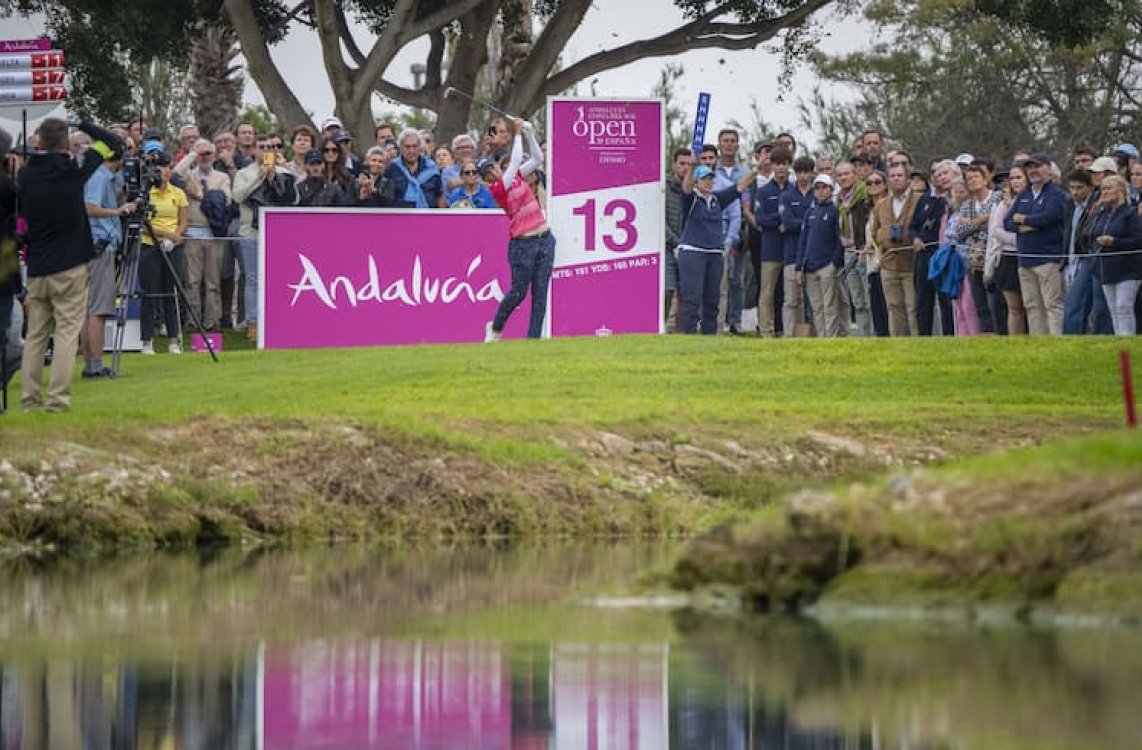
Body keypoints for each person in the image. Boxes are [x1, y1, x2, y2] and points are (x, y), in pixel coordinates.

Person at [19, 118, 121, 411]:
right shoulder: (75, 168)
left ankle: (29, 401)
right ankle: (58, 400)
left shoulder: (26, 174)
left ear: (39, 141)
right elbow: (113, 145)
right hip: (70, 264)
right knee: (66, 333)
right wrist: (84, 124)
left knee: (36, 335)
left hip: (38, 265)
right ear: (66, 143)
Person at [482, 118, 555, 341]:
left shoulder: (517, 178)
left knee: (540, 293)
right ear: (486, 180)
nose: (492, 172)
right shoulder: (498, 188)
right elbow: (514, 162)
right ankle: (495, 328)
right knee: (518, 292)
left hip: (545, 239)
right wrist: (517, 133)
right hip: (522, 244)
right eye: (487, 173)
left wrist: (530, 133)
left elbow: (537, 158)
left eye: (492, 168)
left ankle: (533, 341)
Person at [674, 159, 758, 335]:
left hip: (715, 254)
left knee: (712, 300)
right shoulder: (691, 199)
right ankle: (687, 336)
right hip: (693, 253)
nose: (709, 182)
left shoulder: (717, 199)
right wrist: (691, 168)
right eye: (704, 178)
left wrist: (758, 168)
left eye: (711, 178)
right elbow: (686, 187)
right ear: (697, 181)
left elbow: (740, 186)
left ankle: (709, 337)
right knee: (692, 299)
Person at [232, 133, 299, 342]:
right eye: (262, 147)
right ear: (254, 150)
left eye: (270, 147)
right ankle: (253, 323)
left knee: (278, 278)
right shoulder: (244, 173)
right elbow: (238, 197)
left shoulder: (283, 171)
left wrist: (282, 175)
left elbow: (295, 200)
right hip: (251, 232)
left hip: (277, 233)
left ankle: (279, 320)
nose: (266, 150)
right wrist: (260, 176)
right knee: (252, 278)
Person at [82, 146, 134, 378]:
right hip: (99, 245)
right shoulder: (98, 176)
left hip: (96, 245)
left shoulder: (105, 177)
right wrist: (118, 212)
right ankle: (94, 366)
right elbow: (89, 208)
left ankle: (91, 364)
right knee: (97, 309)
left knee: (91, 308)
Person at [1004, 152, 1068, 334]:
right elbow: (1008, 222)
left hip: (1048, 258)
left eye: (1038, 166)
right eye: (1030, 167)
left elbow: (1050, 217)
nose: (1033, 171)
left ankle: (1056, 344)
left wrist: (1024, 219)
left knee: (1052, 305)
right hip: (1025, 260)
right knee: (1032, 306)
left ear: (1048, 169)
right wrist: (1026, 225)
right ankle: (1038, 344)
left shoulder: (1056, 194)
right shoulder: (1024, 194)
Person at [175, 138, 231, 331]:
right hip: (192, 232)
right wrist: (192, 154)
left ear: (214, 156)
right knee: (192, 281)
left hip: (213, 233)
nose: (204, 157)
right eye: (201, 154)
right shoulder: (189, 175)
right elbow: (176, 173)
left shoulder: (222, 177)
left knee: (213, 281)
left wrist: (199, 195)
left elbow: (225, 201)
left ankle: (212, 320)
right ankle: (192, 320)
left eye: (208, 153)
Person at [137, 150, 188, 356]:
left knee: (171, 292)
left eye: (167, 167)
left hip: (173, 246)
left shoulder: (178, 193)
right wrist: (166, 234)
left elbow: (183, 219)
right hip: (150, 244)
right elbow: (142, 223)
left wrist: (176, 235)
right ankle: (147, 341)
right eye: (159, 168)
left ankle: (173, 341)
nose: (163, 172)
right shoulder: (146, 193)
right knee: (149, 293)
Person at [869, 163, 918, 336]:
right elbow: (874, 232)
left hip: (911, 262)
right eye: (893, 176)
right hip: (888, 264)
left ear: (908, 179)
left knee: (913, 307)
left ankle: (918, 343)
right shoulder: (881, 205)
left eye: (900, 175)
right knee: (893, 307)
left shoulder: (918, 200)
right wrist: (883, 241)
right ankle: (896, 343)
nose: (896, 179)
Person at [1090, 175, 1142, 335]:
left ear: (1121, 190)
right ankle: (1119, 347)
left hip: (1128, 269)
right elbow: (1091, 234)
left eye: (1108, 188)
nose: (1104, 192)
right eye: (1102, 189)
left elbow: (1139, 239)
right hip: (1106, 268)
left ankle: (1128, 344)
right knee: (1113, 310)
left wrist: (1114, 241)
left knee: (1123, 307)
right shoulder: (1102, 213)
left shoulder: (1130, 213)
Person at [955, 163, 1002, 333]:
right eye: (969, 178)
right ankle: (986, 337)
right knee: (980, 304)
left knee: (995, 303)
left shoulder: (997, 197)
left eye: (976, 177)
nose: (972, 181)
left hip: (993, 258)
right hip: (973, 261)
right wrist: (981, 220)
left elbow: (996, 222)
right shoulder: (967, 205)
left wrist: (973, 222)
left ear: (985, 179)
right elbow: (959, 232)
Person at [796, 174, 844, 337]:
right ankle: (821, 337)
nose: (821, 191)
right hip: (809, 267)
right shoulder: (810, 212)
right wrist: (799, 266)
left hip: (826, 266)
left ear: (831, 190)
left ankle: (831, 337)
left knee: (829, 304)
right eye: (817, 188)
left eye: (824, 188)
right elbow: (803, 241)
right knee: (816, 306)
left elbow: (839, 239)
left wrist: (834, 263)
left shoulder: (835, 211)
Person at [754, 146, 792, 337]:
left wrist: (786, 220)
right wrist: (782, 218)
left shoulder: (794, 190)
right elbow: (760, 219)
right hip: (770, 249)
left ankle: (789, 330)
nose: (781, 168)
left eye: (785, 164)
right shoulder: (763, 191)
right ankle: (766, 331)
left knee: (790, 295)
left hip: (791, 249)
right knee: (767, 293)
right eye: (778, 164)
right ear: (773, 165)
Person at [987, 165, 1027, 335]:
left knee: (1031, 305)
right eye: (1012, 178)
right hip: (1009, 257)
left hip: (1030, 256)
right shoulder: (1004, 204)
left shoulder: (1031, 200)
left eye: (1019, 177)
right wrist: (1018, 240)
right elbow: (996, 229)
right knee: (1014, 307)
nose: (1015, 182)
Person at [778, 156, 815, 335]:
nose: (803, 176)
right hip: (791, 255)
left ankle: (812, 334)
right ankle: (788, 335)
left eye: (806, 172)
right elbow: (787, 221)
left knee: (814, 301)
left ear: (812, 173)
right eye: (799, 172)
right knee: (791, 300)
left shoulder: (818, 194)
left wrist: (799, 224)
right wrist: (809, 224)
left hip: (815, 255)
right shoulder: (786, 196)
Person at [664, 148, 693, 333]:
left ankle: (681, 331)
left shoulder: (696, 189)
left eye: (689, 164)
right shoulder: (664, 186)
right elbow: (660, 221)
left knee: (688, 293)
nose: (685, 168)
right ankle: (661, 325)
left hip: (690, 249)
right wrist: (675, 243)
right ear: (674, 164)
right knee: (667, 290)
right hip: (668, 248)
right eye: (682, 163)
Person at [380, 129, 445, 209]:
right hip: (400, 218)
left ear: (420, 147)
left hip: (428, 218)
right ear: (400, 148)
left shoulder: (431, 167)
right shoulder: (392, 168)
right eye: (407, 147)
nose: (411, 151)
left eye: (415, 146)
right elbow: (385, 198)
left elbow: (439, 195)